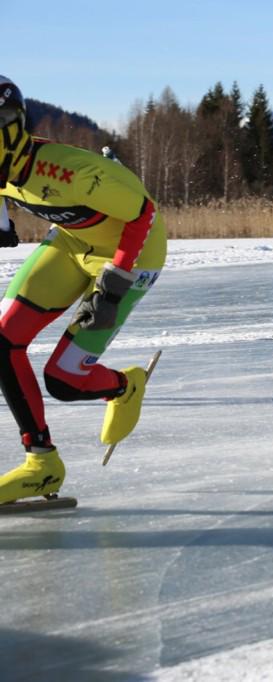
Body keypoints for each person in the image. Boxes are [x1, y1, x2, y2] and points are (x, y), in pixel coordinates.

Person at [0, 76, 167, 504]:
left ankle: (123, 385)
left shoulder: (67, 172)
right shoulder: (8, 162)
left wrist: (113, 287)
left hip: (134, 252)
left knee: (64, 380)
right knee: (2, 342)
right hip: (74, 241)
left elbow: (142, 211)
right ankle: (42, 464)